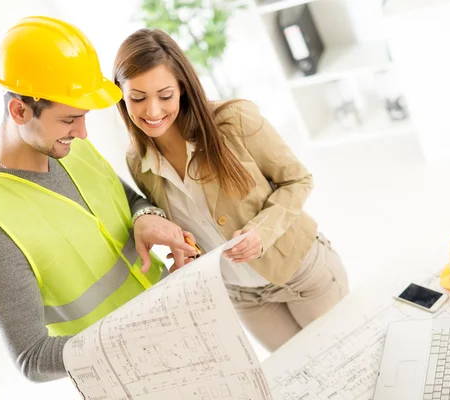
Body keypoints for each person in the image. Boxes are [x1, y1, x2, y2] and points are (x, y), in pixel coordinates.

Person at [0, 16, 197, 383]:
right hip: (128, 377)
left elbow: (129, 200)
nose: (82, 132)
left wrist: (145, 215)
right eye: (70, 119)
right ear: (19, 111)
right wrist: (135, 336)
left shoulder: (70, 147)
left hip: (184, 322)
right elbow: (31, 357)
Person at [113, 28, 350, 352]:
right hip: (243, 295)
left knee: (345, 359)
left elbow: (298, 179)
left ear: (183, 88)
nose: (152, 111)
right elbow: (186, 224)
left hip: (302, 271)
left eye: (165, 96)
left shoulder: (234, 120)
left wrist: (261, 232)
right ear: (121, 96)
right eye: (137, 98)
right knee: (301, 377)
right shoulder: (137, 161)